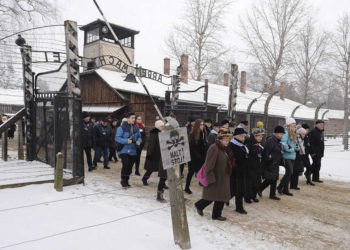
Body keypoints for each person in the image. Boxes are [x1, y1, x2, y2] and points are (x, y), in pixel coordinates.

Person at [195, 129, 235, 221]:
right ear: (220, 139)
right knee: (211, 196)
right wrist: (210, 178)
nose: (227, 142)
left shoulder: (225, 148)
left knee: (221, 196)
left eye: (228, 140)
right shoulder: (214, 147)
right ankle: (199, 205)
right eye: (225, 140)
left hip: (223, 177)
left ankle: (216, 215)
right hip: (215, 177)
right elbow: (208, 165)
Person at [142, 120, 167, 202]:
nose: (163, 127)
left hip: (160, 155)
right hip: (154, 155)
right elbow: (150, 146)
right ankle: (144, 179)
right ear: (157, 127)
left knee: (162, 172)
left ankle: (164, 184)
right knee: (150, 169)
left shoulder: (162, 133)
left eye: (163, 126)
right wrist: (149, 155)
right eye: (161, 126)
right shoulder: (154, 134)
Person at [116, 113, 142, 188]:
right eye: (132, 118)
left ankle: (127, 181)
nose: (133, 119)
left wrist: (139, 141)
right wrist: (126, 141)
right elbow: (117, 138)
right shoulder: (121, 128)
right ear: (127, 118)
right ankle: (123, 181)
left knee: (130, 167)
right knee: (126, 165)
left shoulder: (136, 127)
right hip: (124, 150)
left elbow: (139, 137)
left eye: (134, 118)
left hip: (133, 150)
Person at [260, 125, 285, 200]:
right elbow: (266, 152)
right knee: (270, 179)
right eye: (281, 134)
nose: (282, 135)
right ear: (276, 133)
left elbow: (278, 152)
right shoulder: (271, 140)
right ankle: (259, 189)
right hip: (271, 163)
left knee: (274, 179)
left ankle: (272, 194)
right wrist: (269, 160)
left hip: (275, 162)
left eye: (282, 134)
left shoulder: (277, 141)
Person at [185, 119, 208, 194]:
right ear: (197, 126)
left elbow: (204, 144)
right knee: (190, 173)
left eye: (203, 125)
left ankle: (203, 184)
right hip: (194, 158)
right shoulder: (193, 134)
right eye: (201, 125)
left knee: (202, 172)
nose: (202, 126)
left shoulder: (203, 132)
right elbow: (192, 147)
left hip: (202, 157)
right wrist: (198, 156)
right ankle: (186, 187)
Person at [230, 127, 249, 214]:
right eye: (241, 136)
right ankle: (202, 204)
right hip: (234, 172)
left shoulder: (241, 145)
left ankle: (239, 207)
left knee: (239, 190)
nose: (243, 138)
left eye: (244, 136)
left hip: (241, 171)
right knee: (233, 191)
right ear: (235, 136)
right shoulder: (232, 145)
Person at [277, 118, 298, 196]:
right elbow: (283, 144)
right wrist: (292, 149)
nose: (295, 126)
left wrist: (297, 147)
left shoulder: (293, 133)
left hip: (292, 156)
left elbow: (295, 143)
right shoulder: (285, 133)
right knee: (289, 172)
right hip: (286, 156)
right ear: (289, 125)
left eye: (295, 124)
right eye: (293, 124)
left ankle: (285, 189)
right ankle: (280, 187)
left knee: (289, 173)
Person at [245, 128, 265, 203]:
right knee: (250, 183)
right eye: (258, 136)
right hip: (251, 166)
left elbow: (262, 153)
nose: (260, 138)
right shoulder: (250, 143)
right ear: (254, 136)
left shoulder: (261, 144)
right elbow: (247, 154)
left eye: (261, 136)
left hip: (258, 166)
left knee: (257, 182)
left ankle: (254, 196)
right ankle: (247, 197)